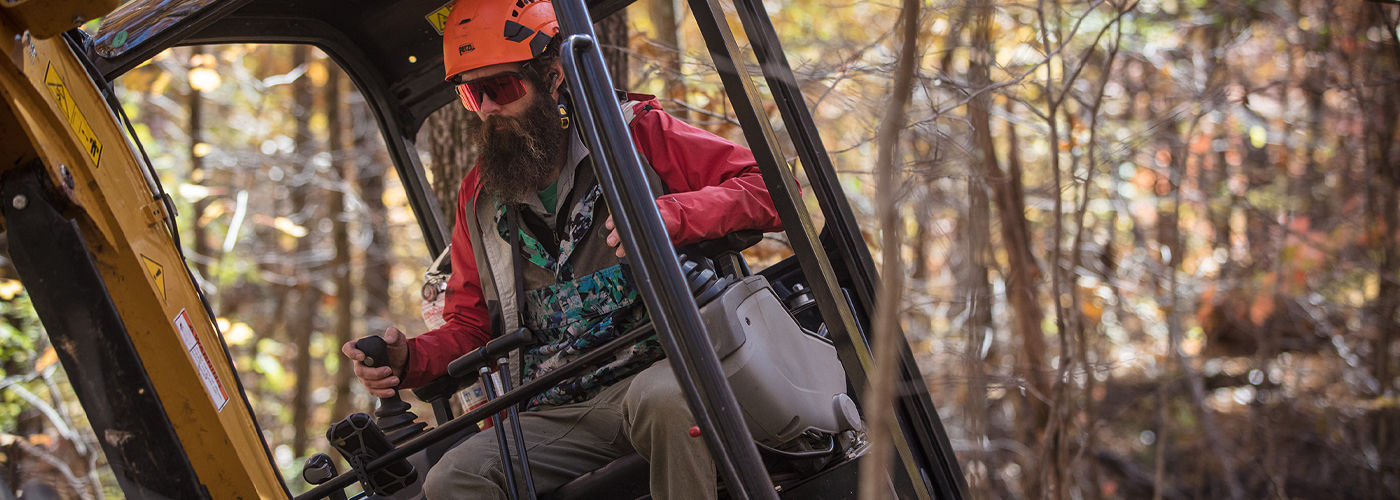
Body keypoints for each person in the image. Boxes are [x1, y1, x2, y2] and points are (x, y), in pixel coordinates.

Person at [340, 0, 782, 498]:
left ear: (553, 78)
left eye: (500, 87)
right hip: (556, 406)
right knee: (453, 478)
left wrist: (673, 216)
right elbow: (471, 326)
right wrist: (409, 361)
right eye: (470, 94)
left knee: (668, 402)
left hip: (664, 370)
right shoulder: (479, 197)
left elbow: (770, 187)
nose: (486, 108)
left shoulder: (635, 133)